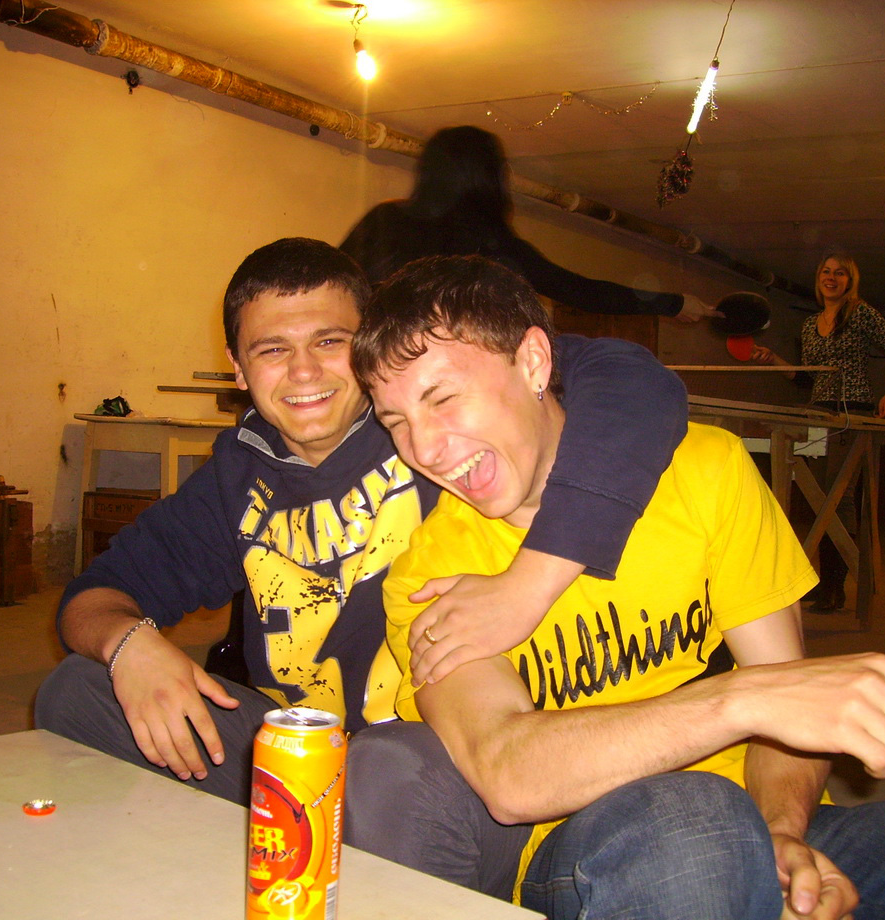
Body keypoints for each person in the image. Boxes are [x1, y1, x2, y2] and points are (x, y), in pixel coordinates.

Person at [351, 254, 885, 920]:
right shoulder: (430, 572)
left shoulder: (707, 471)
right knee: (691, 818)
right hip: (587, 849)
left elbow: (790, 713)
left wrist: (782, 835)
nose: (424, 449)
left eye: (442, 398)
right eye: (397, 422)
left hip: (763, 810)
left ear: (534, 361)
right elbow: (509, 775)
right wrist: (741, 701)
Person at [34, 237, 689, 897]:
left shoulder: (425, 430)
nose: (303, 372)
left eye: (329, 342)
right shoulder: (235, 477)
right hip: (298, 760)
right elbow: (94, 597)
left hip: (435, 764)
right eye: (272, 350)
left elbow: (632, 379)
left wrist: (531, 582)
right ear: (237, 368)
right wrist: (130, 645)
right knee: (78, 690)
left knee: (389, 772)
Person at [340, 124, 718, 322]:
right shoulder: (490, 244)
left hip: (372, 367)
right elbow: (580, 290)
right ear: (488, 177)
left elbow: (333, 285)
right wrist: (673, 303)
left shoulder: (384, 219)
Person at [751, 251, 885, 610]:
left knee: (838, 497)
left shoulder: (861, 313)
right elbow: (807, 378)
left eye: (840, 273)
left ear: (850, 281)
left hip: (851, 412)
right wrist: (773, 359)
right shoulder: (810, 325)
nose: (831, 278)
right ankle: (821, 582)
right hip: (818, 412)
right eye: (826, 272)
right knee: (816, 496)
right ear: (819, 278)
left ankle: (835, 587)